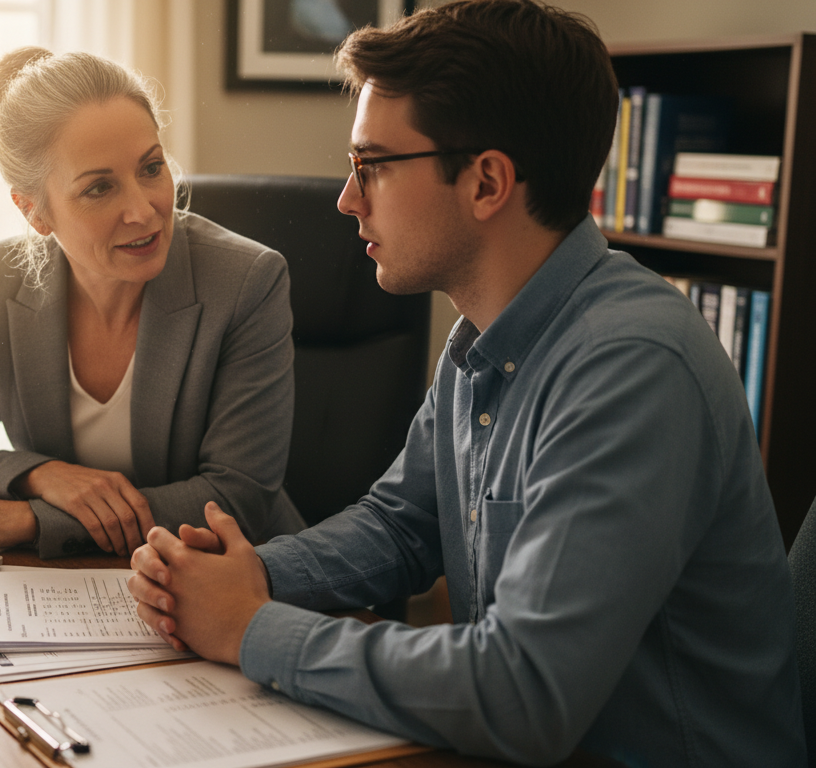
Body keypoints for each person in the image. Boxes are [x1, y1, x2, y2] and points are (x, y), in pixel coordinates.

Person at [127, 1, 805, 764]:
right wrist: (245, 574)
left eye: (371, 165)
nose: (349, 199)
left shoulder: (633, 367)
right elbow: (401, 525)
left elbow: (523, 693)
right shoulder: (480, 340)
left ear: (486, 182)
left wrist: (252, 627)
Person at [0, 47, 305, 559]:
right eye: (100, 188)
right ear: (35, 211)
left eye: (151, 168)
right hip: (61, 591)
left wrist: (31, 518)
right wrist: (42, 475)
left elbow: (237, 498)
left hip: (226, 577)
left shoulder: (246, 281)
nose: (143, 209)